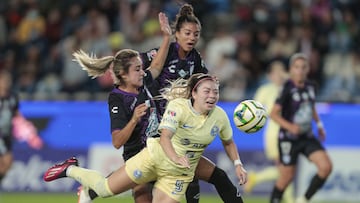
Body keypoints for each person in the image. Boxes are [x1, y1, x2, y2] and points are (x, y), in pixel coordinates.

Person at [43, 73, 247, 203]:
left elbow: (228, 141)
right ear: (193, 93)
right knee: (104, 189)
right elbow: (165, 136)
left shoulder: (220, 116)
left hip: (177, 175)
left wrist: (237, 163)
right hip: (154, 158)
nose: (212, 95)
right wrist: (176, 157)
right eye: (207, 91)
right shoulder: (178, 108)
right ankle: (70, 169)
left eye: (216, 92)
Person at [140, 4, 245, 203]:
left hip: (180, 130)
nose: (192, 38)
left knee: (198, 178)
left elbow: (202, 82)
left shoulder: (195, 58)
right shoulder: (163, 52)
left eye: (196, 34)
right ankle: (93, 189)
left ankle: (92, 190)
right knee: (142, 183)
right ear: (176, 34)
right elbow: (144, 73)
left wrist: (211, 83)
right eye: (187, 33)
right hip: (157, 131)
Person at [72, 12, 172, 203]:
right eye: (137, 69)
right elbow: (117, 141)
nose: (143, 72)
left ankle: (90, 192)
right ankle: (87, 187)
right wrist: (134, 119)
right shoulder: (118, 99)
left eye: (142, 68)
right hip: (137, 157)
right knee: (141, 196)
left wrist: (167, 37)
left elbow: (157, 65)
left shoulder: (144, 83)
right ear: (123, 75)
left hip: (159, 153)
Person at [269, 53, 332, 203]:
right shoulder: (286, 88)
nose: (300, 70)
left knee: (326, 167)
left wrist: (319, 125)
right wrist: (290, 127)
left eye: (303, 67)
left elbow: (311, 107)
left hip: (306, 136)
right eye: (297, 67)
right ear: (291, 69)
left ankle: (303, 199)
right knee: (286, 177)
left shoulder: (311, 86)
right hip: (288, 139)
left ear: (308, 69)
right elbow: (273, 114)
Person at [244, 61, 294, 203]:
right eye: (275, 72)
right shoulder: (265, 90)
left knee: (286, 169)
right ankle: (290, 200)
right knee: (285, 168)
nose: (278, 75)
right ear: (270, 75)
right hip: (274, 133)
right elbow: (254, 111)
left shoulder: (289, 88)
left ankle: (256, 178)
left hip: (289, 133)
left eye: (282, 71)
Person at [0, 70, 43, 186]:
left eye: (7, 80)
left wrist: (26, 127)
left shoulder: (12, 97)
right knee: (4, 161)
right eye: (3, 80)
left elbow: (16, 114)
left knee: (7, 164)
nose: (6, 83)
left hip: (7, 134)